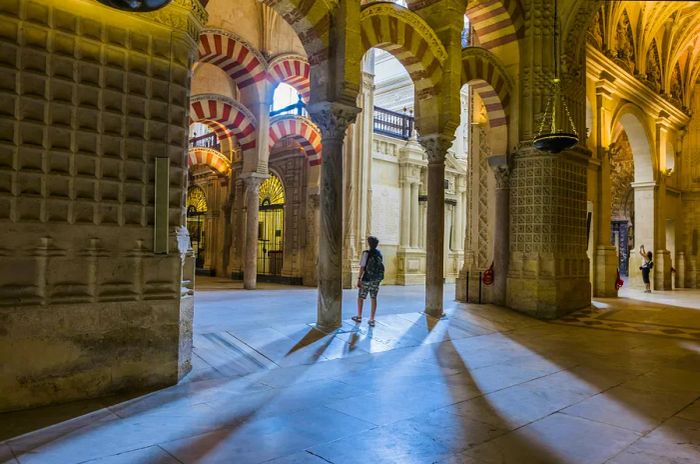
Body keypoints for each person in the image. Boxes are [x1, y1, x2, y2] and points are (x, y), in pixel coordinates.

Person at [352, 236, 384, 327]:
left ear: (369, 244)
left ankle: (359, 316)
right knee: (373, 298)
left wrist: (359, 279)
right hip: (376, 280)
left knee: (361, 297)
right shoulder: (379, 254)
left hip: (366, 279)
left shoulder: (366, 253)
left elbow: (362, 267)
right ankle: (372, 319)